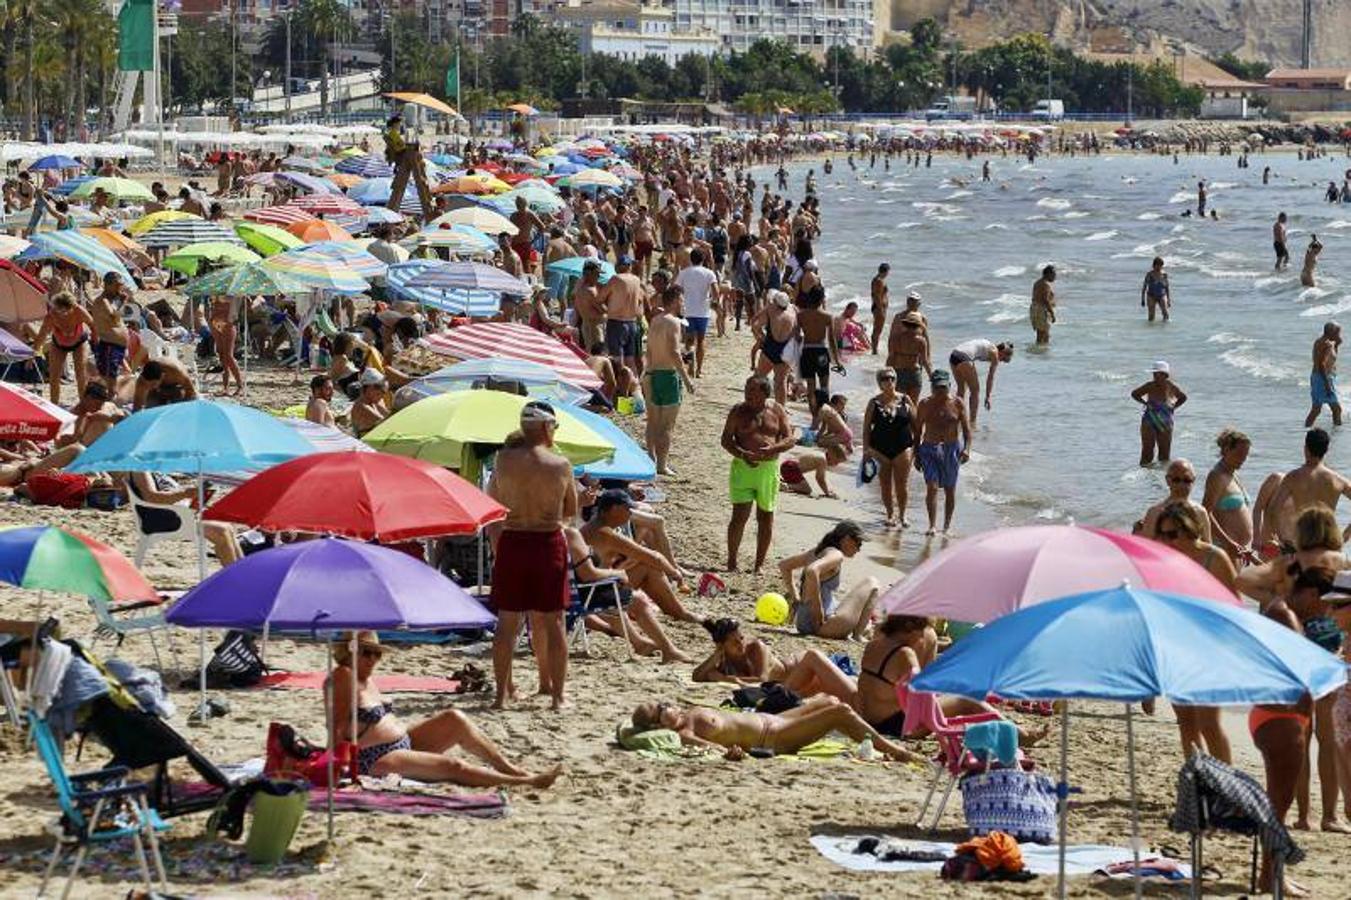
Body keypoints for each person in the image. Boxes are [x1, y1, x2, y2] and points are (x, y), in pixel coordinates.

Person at [1238, 506, 1351, 843]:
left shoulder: (1290, 562)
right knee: (1327, 736)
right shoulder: (1338, 559)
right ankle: (1330, 815)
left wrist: (1277, 594)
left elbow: (1241, 579)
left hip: (1296, 639)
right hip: (1329, 642)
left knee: (1300, 729)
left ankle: (1302, 814)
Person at [328, 632, 561, 787]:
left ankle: (512, 769)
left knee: (455, 718)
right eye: (365, 652)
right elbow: (336, 726)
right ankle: (525, 783)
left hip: (400, 744)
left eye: (376, 653)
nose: (372, 659)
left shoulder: (366, 678)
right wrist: (340, 768)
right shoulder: (343, 676)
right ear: (349, 652)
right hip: (374, 759)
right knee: (453, 766)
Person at [487, 401, 577, 710]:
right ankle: (558, 696)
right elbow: (571, 510)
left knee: (507, 621)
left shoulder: (502, 461)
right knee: (554, 621)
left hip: (513, 540)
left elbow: (494, 505)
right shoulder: (559, 465)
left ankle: (500, 695)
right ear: (545, 427)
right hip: (546, 541)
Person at [1151, 502, 1236, 764]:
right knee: (1186, 722)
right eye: (1161, 535)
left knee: (1209, 723)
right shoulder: (1163, 563)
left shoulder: (1214, 558)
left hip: (1210, 649)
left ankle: (1227, 785)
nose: (1166, 540)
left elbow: (1234, 606)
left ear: (1189, 531)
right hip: (1177, 649)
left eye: (1172, 534)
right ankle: (1198, 781)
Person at [629, 695, 920, 762]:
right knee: (840, 712)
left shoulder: (687, 715)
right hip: (774, 738)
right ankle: (897, 751)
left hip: (774, 719)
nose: (668, 705)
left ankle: (863, 734)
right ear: (658, 724)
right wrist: (728, 753)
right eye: (661, 708)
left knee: (829, 700)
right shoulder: (683, 733)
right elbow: (711, 749)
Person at [563, 526, 689, 663]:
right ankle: (668, 649)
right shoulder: (572, 534)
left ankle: (640, 643)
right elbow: (589, 574)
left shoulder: (554, 533)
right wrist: (618, 574)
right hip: (571, 597)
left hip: (560, 594)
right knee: (636, 599)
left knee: (614, 595)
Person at [581, 489, 696, 622]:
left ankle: (677, 612)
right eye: (627, 510)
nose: (630, 514)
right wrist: (675, 574)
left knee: (644, 564)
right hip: (595, 596)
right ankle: (679, 613)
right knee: (649, 566)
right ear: (614, 509)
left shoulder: (593, 526)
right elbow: (655, 557)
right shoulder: (606, 534)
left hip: (588, 589)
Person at [692, 617, 858, 707]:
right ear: (722, 646)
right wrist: (715, 656)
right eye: (735, 642)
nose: (741, 644)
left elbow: (763, 680)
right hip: (797, 685)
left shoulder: (756, 647)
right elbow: (697, 676)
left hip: (803, 668)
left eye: (741, 638)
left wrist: (725, 679)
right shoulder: (723, 657)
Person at [722, 375, 796, 573]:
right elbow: (726, 441)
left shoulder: (776, 410)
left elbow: (790, 439)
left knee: (766, 517)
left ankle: (759, 564)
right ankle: (731, 562)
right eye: (747, 389)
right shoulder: (738, 411)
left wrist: (773, 449)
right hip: (743, 467)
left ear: (765, 393)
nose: (748, 394)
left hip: (768, 469)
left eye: (753, 390)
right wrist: (741, 454)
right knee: (739, 516)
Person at [778, 521, 878, 640]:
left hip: (803, 624)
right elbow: (812, 571)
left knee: (863, 618)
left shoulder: (817, 551)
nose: (859, 549)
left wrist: (796, 599)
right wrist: (818, 611)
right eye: (858, 543)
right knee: (872, 583)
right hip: (823, 625)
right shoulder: (836, 555)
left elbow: (784, 565)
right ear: (846, 539)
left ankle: (862, 629)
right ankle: (857, 636)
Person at [128, 470, 242, 565]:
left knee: (228, 527)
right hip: (161, 521)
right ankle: (234, 578)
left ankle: (242, 573)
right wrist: (185, 493)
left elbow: (169, 498)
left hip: (176, 516)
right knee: (221, 531)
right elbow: (152, 497)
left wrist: (194, 501)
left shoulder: (157, 469)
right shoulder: (141, 470)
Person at [1265, 428, 1351, 546]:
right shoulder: (1337, 480)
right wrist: (1344, 537)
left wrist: (1282, 539)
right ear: (1326, 450)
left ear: (1305, 449)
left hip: (1303, 539)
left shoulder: (1293, 477)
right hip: (1329, 540)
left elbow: (1274, 510)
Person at [642, 286, 693, 477]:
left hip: (652, 373)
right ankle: (662, 464)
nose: (683, 304)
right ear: (674, 300)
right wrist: (686, 379)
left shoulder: (655, 320)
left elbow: (649, 351)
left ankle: (650, 458)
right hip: (668, 375)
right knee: (667, 425)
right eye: (681, 300)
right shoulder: (673, 322)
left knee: (652, 422)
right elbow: (674, 352)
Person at [913, 370, 972, 536]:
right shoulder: (924, 404)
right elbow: (917, 433)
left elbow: (967, 431)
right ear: (931, 387)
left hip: (951, 449)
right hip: (929, 448)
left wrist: (967, 449)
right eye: (937, 388)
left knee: (949, 489)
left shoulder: (958, 403)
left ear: (949, 386)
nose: (940, 391)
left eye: (943, 388)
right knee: (931, 487)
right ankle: (932, 525)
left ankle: (946, 526)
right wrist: (916, 456)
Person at [862, 368, 917, 528]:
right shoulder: (874, 402)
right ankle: (890, 515)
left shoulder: (905, 400)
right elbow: (866, 429)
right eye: (885, 379)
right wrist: (866, 450)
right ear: (880, 382)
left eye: (892, 378)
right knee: (885, 484)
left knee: (902, 484)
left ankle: (903, 515)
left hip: (903, 447)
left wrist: (917, 448)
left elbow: (916, 425)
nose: (890, 381)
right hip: (879, 448)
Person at [1203, 428, 1256, 566]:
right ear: (1226, 449)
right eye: (1239, 453)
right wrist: (1228, 543)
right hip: (1224, 549)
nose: (1243, 458)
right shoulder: (1217, 476)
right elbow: (1205, 513)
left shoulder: (1232, 475)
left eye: (1246, 454)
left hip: (1238, 551)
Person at [32, 291, 92, 404]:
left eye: (65, 311)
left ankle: (83, 405)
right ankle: (54, 405)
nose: (62, 314)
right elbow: (42, 335)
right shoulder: (51, 315)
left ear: (72, 307)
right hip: (59, 344)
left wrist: (96, 342)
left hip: (79, 342)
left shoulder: (79, 311)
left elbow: (92, 325)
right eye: (59, 310)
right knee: (54, 376)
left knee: (81, 375)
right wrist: (33, 353)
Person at [1140, 459, 1212, 541]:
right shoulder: (1154, 513)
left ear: (1193, 481)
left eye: (1187, 480)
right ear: (1168, 480)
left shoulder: (1200, 512)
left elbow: (1207, 546)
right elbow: (1146, 548)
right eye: (1176, 480)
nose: (1181, 485)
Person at [1131, 360, 1186, 467]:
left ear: (1165, 375)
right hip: (1149, 418)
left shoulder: (1171, 386)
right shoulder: (1149, 385)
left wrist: (1173, 407)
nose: (1155, 376)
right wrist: (1145, 403)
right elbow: (1135, 394)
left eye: (1157, 374)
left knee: (1164, 455)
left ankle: (1161, 479)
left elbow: (1183, 397)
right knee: (1147, 452)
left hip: (1166, 420)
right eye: (1154, 374)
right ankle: (1145, 478)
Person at [796, 283, 840, 414]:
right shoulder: (827, 316)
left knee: (810, 387)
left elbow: (797, 337)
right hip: (821, 352)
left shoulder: (801, 315)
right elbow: (831, 340)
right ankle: (824, 416)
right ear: (822, 299)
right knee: (824, 387)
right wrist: (836, 359)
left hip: (807, 351)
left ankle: (814, 416)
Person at [674, 248, 717, 377]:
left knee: (688, 341)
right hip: (703, 311)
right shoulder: (709, 273)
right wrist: (714, 301)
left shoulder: (684, 273)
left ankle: (690, 367)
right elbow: (715, 290)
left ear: (690, 259)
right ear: (703, 259)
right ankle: (699, 370)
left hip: (687, 311)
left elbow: (677, 290)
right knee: (701, 340)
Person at [948, 339, 1012, 426]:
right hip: (964, 357)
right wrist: (988, 396)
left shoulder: (990, 346)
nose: (1000, 361)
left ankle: (956, 417)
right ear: (1002, 352)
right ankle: (972, 422)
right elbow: (990, 377)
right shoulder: (995, 353)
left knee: (962, 388)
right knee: (975, 391)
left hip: (954, 355)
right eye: (1003, 359)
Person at [751, 289, 797, 405]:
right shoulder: (794, 310)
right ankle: (781, 409)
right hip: (786, 351)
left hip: (771, 346)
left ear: (775, 302)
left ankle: (755, 402)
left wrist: (760, 338)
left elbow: (755, 325)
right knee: (780, 382)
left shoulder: (770, 309)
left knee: (759, 377)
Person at [598, 255, 643, 375]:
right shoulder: (637, 280)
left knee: (617, 359)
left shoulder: (616, 279)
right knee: (630, 358)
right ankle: (634, 386)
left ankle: (622, 386)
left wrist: (605, 309)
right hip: (632, 322)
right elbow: (639, 300)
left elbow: (600, 298)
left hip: (616, 321)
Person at [383, 115, 434, 220]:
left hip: (401, 153)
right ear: (394, 124)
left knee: (415, 150)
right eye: (399, 123)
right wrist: (409, 145)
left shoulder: (393, 133)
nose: (400, 125)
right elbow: (399, 146)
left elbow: (400, 145)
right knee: (415, 151)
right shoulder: (393, 133)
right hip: (402, 154)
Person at [89, 273, 130, 393]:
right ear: (107, 285)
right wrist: (123, 302)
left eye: (121, 285)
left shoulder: (113, 301)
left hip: (116, 346)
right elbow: (113, 318)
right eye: (117, 285)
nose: (120, 289)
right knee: (108, 381)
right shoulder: (102, 301)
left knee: (113, 378)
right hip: (109, 346)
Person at [885, 311, 931, 405]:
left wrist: (886, 373)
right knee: (913, 404)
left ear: (905, 324)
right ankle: (913, 420)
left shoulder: (896, 338)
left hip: (900, 372)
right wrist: (931, 376)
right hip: (914, 373)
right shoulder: (921, 341)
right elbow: (925, 361)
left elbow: (891, 357)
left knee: (900, 404)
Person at [1307, 322, 1341, 428]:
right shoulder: (1325, 344)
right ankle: (1337, 433)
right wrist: (1327, 384)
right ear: (1331, 332)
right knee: (1336, 409)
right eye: (1337, 332)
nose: (1339, 335)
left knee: (1316, 409)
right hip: (1323, 378)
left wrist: (1337, 345)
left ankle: (1306, 429)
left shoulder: (1323, 342)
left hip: (1319, 377)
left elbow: (1331, 359)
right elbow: (1321, 364)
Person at [132, 359, 197, 412]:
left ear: (162, 376)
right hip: (157, 393)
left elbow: (190, 391)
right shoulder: (142, 381)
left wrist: (184, 408)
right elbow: (137, 406)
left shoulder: (176, 372)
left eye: (153, 384)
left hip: (176, 389)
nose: (151, 387)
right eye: (147, 385)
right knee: (150, 408)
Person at [350, 369, 389, 437]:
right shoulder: (361, 406)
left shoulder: (374, 402)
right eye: (379, 393)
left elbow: (389, 416)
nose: (382, 396)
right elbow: (386, 423)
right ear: (369, 389)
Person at [1030, 264, 1056, 345]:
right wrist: (1052, 313)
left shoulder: (1037, 283)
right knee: (1045, 335)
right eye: (1054, 274)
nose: (1055, 277)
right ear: (1048, 274)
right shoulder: (1045, 285)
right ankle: (1043, 354)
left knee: (1040, 335)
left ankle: (1039, 353)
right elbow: (1045, 300)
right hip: (1042, 310)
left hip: (1035, 308)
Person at [1141, 256, 1172, 323]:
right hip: (1151, 296)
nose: (1158, 267)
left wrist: (1169, 299)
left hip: (1162, 295)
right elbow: (1144, 287)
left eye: (1160, 265)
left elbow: (1167, 287)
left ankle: (1165, 329)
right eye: (1157, 265)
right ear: (1153, 265)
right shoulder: (1149, 274)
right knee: (1151, 316)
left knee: (1165, 314)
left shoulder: (1164, 275)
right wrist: (1143, 299)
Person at [869, 263, 890, 355]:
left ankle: (874, 349)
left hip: (878, 307)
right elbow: (877, 296)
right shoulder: (879, 281)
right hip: (879, 308)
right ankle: (874, 350)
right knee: (877, 329)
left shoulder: (877, 280)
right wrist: (881, 309)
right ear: (886, 271)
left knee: (877, 329)